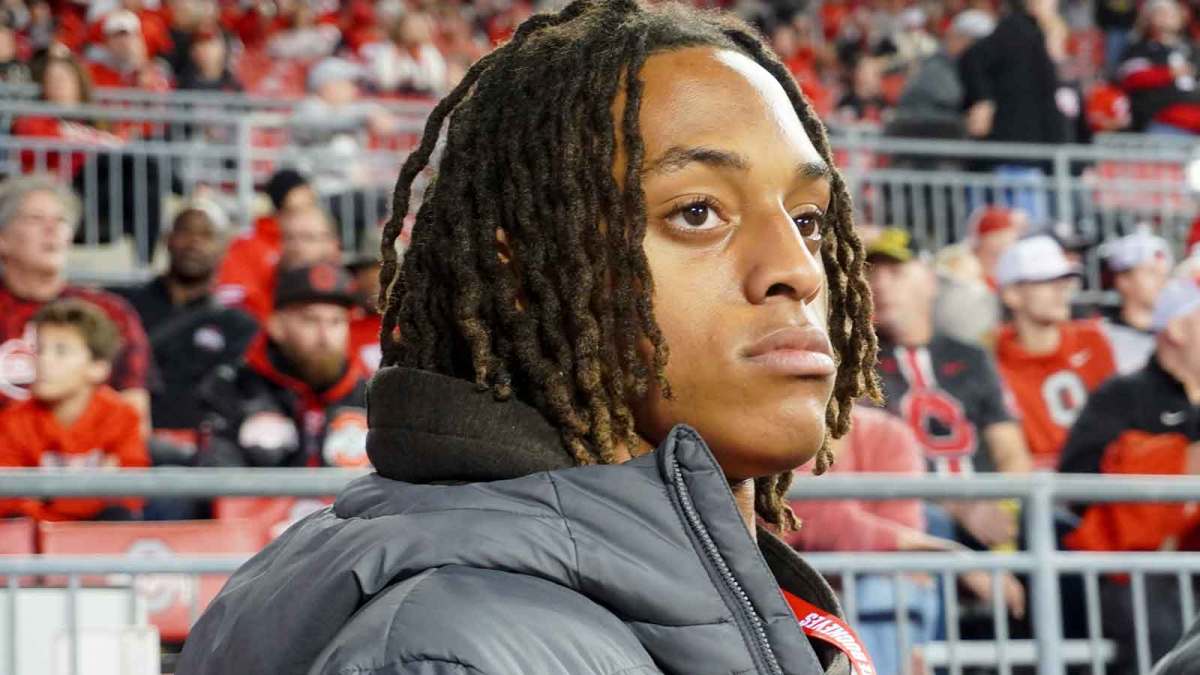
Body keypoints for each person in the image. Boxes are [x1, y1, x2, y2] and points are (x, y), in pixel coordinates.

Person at [178, 1, 883, 672]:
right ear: (525, 271)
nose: (796, 269)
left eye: (809, 220)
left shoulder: (723, 595)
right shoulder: (451, 650)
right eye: (697, 211)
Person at [789, 405, 1025, 675]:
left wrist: (911, 547)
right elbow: (808, 517)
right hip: (792, 591)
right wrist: (939, 551)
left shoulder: (888, 433)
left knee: (890, 591)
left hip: (876, 590)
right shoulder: (777, 429)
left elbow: (898, 537)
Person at [1061, 278, 1200, 673]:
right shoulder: (1123, 394)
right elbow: (1077, 479)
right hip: (1140, 568)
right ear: (1176, 328)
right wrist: (1175, 461)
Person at [868, 228, 1031, 552]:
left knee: (1055, 529)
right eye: (871, 274)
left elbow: (1011, 452)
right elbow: (872, 468)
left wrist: (1005, 508)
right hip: (915, 515)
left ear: (929, 282)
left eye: (896, 272)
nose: (881, 285)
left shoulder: (971, 356)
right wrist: (960, 510)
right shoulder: (853, 365)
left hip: (989, 510)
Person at [0, 176, 152, 427]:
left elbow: (134, 411)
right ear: (3, 239)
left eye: (61, 221)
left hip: (84, 459)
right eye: (35, 219)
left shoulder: (109, 312)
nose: (52, 229)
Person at [111, 200, 257, 460]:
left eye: (206, 235)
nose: (194, 243)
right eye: (186, 231)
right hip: (125, 447)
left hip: (199, 458)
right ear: (168, 239)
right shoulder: (122, 306)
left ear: (224, 248)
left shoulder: (239, 326)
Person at [196, 262, 369, 470]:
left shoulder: (372, 397)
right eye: (310, 320)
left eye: (336, 322)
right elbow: (220, 480)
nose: (325, 336)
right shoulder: (232, 388)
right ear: (276, 326)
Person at [0, 299, 148, 522]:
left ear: (98, 368)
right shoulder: (12, 421)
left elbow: (130, 497)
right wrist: (93, 489)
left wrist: (46, 497)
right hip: (36, 545)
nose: (43, 361)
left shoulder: (122, 417)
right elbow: (7, 502)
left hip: (98, 541)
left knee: (119, 516)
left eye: (61, 351)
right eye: (39, 349)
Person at [994, 236, 1118, 469]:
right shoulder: (992, 357)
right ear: (1012, 294)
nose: (1061, 290)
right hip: (1033, 488)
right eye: (1045, 281)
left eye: (1064, 280)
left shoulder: (1092, 341)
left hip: (1099, 478)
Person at [218, 203, 341, 325]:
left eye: (308, 238)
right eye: (288, 237)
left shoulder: (347, 299)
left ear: (332, 244)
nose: (296, 247)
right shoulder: (257, 299)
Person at [214, 169, 318, 311]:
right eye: (296, 210)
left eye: (310, 206)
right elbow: (230, 293)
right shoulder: (248, 244)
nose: (305, 217)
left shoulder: (321, 240)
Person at [1115, 0, 1200, 134]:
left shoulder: (1191, 49)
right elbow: (1132, 77)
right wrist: (1169, 73)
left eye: (1171, 13)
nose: (1166, 16)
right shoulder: (1140, 47)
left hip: (1194, 120)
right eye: (1160, 12)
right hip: (1162, 121)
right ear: (1148, 18)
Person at [1100, 230, 1173, 374]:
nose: (1162, 281)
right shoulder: (1102, 336)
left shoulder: (1179, 334)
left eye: (1165, 274)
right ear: (1123, 281)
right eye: (1151, 273)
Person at [361, 12, 448, 96]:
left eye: (420, 28)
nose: (417, 31)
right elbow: (384, 81)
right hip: (391, 99)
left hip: (424, 99)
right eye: (413, 28)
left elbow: (437, 80)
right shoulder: (387, 50)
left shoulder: (429, 51)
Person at [84, 9, 171, 92]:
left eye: (127, 35)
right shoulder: (94, 72)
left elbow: (162, 99)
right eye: (116, 36)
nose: (122, 41)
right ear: (106, 42)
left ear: (138, 39)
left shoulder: (155, 71)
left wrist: (142, 68)